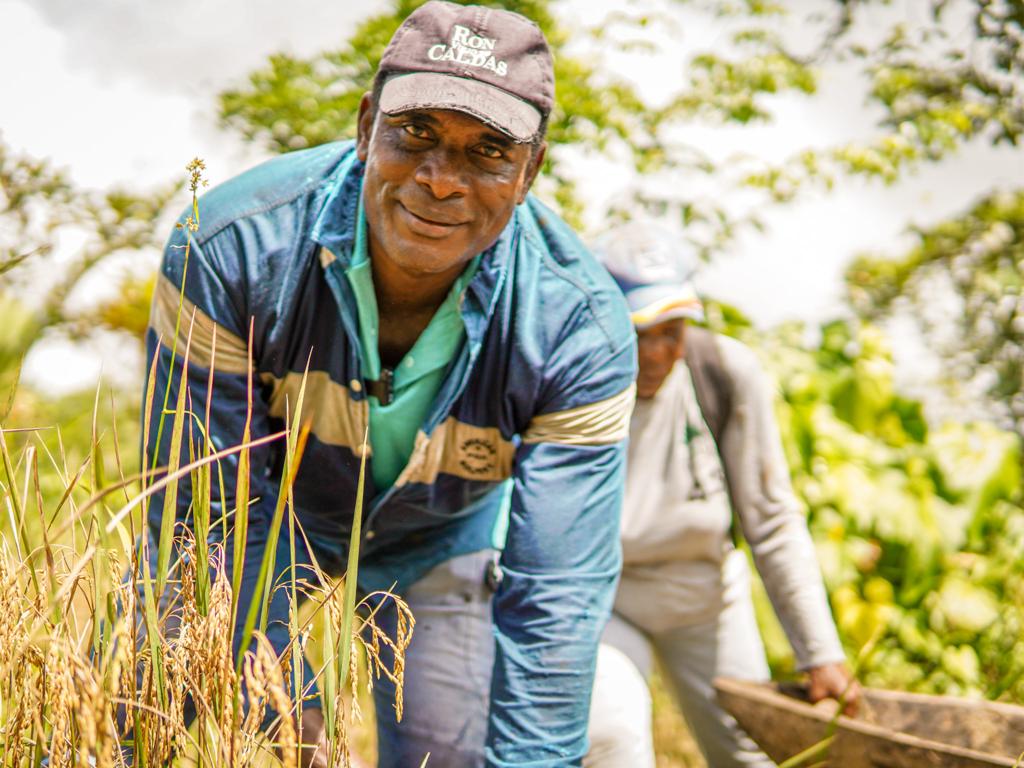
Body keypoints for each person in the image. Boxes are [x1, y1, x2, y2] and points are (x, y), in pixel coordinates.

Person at [144, 3, 636, 766]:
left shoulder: (580, 328)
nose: (441, 182)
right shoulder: (231, 249)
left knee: (449, 754)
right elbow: (203, 522)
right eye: (417, 135)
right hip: (267, 519)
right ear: (367, 124)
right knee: (165, 708)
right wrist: (274, 695)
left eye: (489, 152)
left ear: (530, 171)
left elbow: (557, 602)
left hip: (440, 536)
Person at [585, 221, 860, 768]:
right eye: (637, 332)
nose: (657, 353)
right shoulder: (568, 379)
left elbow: (772, 520)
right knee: (611, 739)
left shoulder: (725, 372)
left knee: (749, 753)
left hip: (706, 595)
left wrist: (820, 653)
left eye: (672, 330)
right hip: (607, 597)